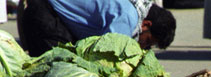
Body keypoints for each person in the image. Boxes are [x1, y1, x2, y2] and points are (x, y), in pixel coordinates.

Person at [17, 0, 176, 57]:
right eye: (147, 42)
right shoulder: (127, 19)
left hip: (50, 13)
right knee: (55, 65)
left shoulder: (132, 8)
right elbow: (106, 56)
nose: (144, 47)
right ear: (146, 25)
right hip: (43, 13)